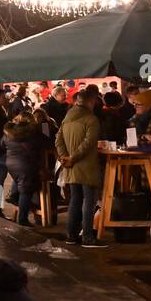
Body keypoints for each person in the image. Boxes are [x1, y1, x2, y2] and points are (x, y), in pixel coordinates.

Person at [56, 86, 105, 247]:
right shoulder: (91, 119)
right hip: (87, 167)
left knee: (75, 200)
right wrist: (72, 157)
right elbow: (89, 143)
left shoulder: (67, 118)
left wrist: (65, 158)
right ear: (91, 102)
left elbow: (58, 140)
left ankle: (71, 235)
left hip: (71, 167)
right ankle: (88, 238)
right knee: (88, 202)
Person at [0, 113, 43, 227]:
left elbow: (2, 144)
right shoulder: (33, 132)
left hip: (11, 164)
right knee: (26, 191)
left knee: (22, 184)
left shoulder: (9, 132)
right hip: (26, 164)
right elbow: (45, 143)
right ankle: (22, 219)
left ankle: (14, 197)